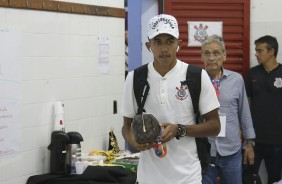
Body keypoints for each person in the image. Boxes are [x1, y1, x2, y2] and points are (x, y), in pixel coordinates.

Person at [121, 14, 221, 184]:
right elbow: (126, 127)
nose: (164, 48)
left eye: (169, 41)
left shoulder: (196, 76)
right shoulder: (135, 78)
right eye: (157, 42)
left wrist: (180, 129)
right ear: (148, 45)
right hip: (148, 178)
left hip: (188, 178)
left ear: (178, 44)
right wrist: (134, 142)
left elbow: (215, 126)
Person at [200, 35, 256, 184]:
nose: (211, 58)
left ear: (224, 55)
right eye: (207, 53)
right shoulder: (195, 80)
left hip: (232, 151)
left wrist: (249, 144)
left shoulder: (236, 80)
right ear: (202, 57)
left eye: (216, 53)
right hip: (205, 152)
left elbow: (244, 114)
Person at [245, 35, 282, 184]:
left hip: (277, 140)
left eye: (260, 50)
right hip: (254, 140)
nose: (256, 54)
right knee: (247, 178)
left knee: (275, 179)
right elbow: (246, 105)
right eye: (256, 50)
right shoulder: (252, 73)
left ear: (271, 51)